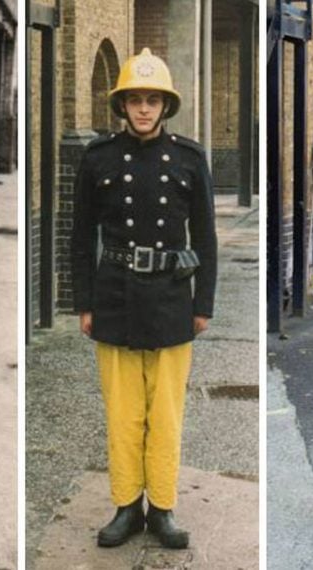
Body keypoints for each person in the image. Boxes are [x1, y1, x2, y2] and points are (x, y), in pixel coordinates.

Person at [71, 47, 217, 549]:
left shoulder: (190, 159)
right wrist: (84, 303)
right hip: (114, 296)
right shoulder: (98, 158)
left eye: (153, 100)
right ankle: (126, 505)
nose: (144, 109)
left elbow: (206, 237)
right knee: (123, 413)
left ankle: (163, 507)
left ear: (166, 105)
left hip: (172, 300)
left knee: (167, 413)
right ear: (122, 104)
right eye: (135, 99)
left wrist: (204, 305)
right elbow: (79, 235)